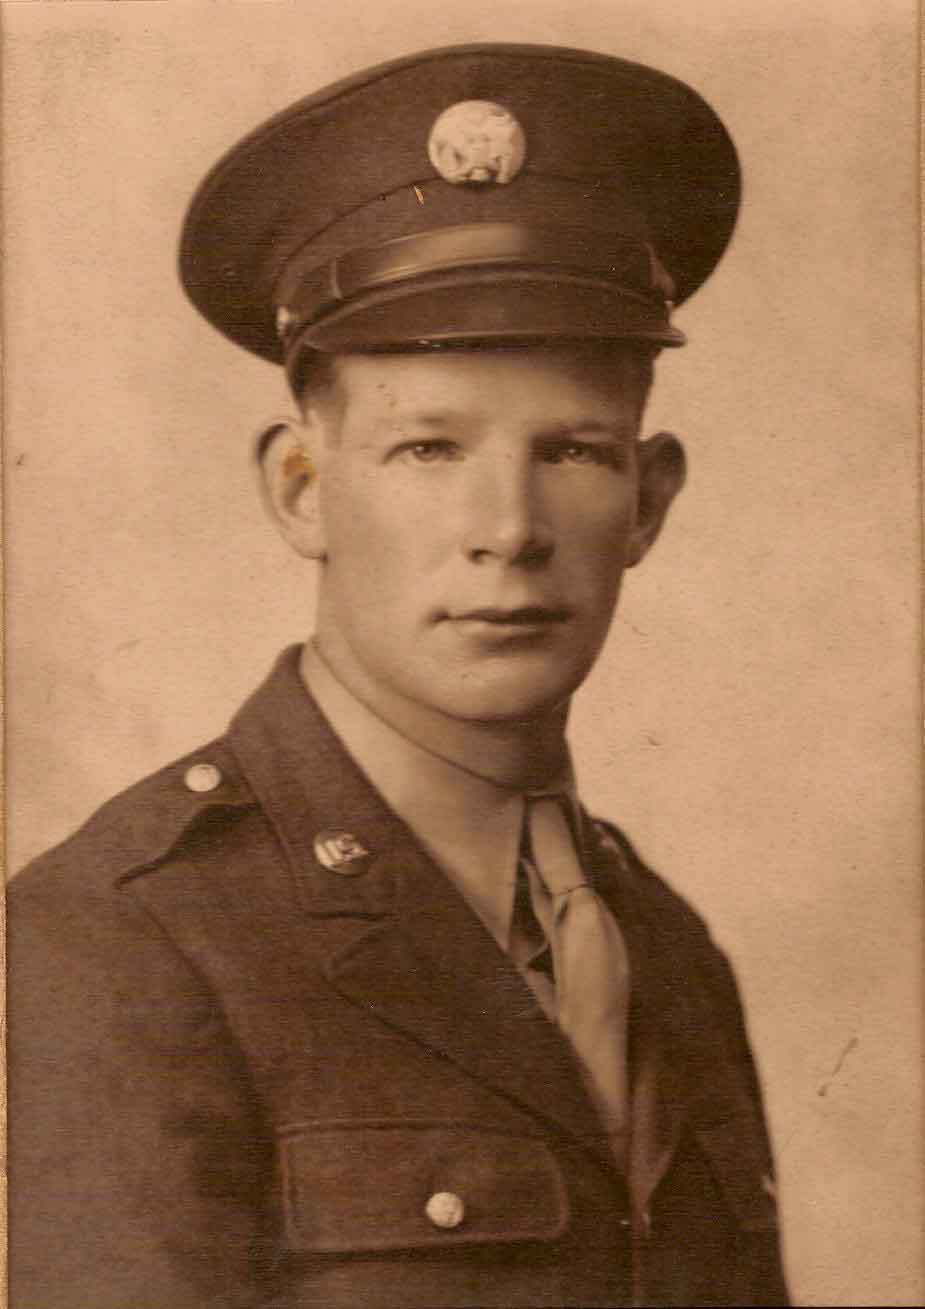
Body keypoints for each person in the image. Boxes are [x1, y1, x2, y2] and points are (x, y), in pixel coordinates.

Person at [7, 42, 790, 1309]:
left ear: (648, 501)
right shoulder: (124, 934)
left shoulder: (669, 949)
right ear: (301, 490)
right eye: (428, 447)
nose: (509, 526)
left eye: (576, 451)